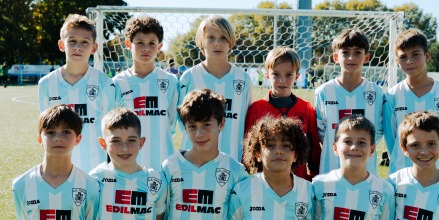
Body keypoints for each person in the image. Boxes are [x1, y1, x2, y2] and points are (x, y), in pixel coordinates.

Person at [157, 89, 247, 220]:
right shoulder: (170, 166)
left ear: (221, 123)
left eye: (206, 125)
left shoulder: (235, 171)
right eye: (192, 126)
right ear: (185, 127)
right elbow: (159, 216)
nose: (199, 134)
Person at [12, 105, 98, 220]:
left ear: (78, 139)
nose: (58, 138)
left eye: (66, 132)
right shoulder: (21, 184)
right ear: (40, 139)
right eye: (50, 132)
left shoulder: (89, 185)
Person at [228, 116, 314, 220]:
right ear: (258, 154)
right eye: (270, 145)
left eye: (286, 145)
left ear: (296, 154)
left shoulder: (307, 191)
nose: (278, 151)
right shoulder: (243, 190)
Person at [38, 14, 115, 174]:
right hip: (59, 168)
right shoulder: (46, 84)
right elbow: (46, 129)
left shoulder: (104, 83)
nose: (78, 47)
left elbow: (110, 128)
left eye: (84, 42)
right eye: (72, 41)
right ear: (61, 45)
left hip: (96, 168)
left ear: (94, 48)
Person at [312, 115, 394, 220]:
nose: (354, 147)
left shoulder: (384, 190)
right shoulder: (320, 185)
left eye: (361, 142)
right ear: (335, 148)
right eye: (348, 142)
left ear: (372, 149)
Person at [87, 108, 167, 220]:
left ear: (141, 142)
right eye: (116, 141)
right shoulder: (95, 179)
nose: (124, 148)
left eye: (131, 140)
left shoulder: (155, 180)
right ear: (103, 143)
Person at [383, 29, 439, 174]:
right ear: (397, 62)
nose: (409, 61)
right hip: (401, 173)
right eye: (403, 57)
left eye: (415, 54)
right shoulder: (392, 95)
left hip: (436, 172)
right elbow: (391, 138)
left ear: (427, 56)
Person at [178, 15, 251, 162]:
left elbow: (246, 121)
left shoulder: (243, 79)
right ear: (201, 42)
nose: (217, 43)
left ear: (230, 41)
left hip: (232, 160)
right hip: (195, 161)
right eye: (211, 38)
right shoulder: (189, 78)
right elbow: (182, 121)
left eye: (223, 38)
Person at [314, 29, 385, 175]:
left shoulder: (377, 92)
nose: (351, 57)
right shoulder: (323, 92)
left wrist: (361, 146)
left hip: (366, 170)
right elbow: (321, 131)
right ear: (336, 57)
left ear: (366, 57)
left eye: (357, 52)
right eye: (345, 52)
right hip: (331, 169)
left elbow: (378, 131)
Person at [112, 16, 179, 170]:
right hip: (128, 166)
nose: (146, 48)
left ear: (160, 46)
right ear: (128, 44)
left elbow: (171, 124)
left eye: (152, 43)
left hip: (163, 163)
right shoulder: (117, 83)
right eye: (140, 43)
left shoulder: (170, 81)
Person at [244, 46, 320, 180]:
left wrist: (314, 177)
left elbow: (314, 150)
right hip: (265, 182)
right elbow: (248, 149)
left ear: (297, 76)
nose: (282, 80)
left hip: (298, 182)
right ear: (267, 75)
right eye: (276, 74)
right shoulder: (256, 108)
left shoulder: (306, 108)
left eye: (288, 75)